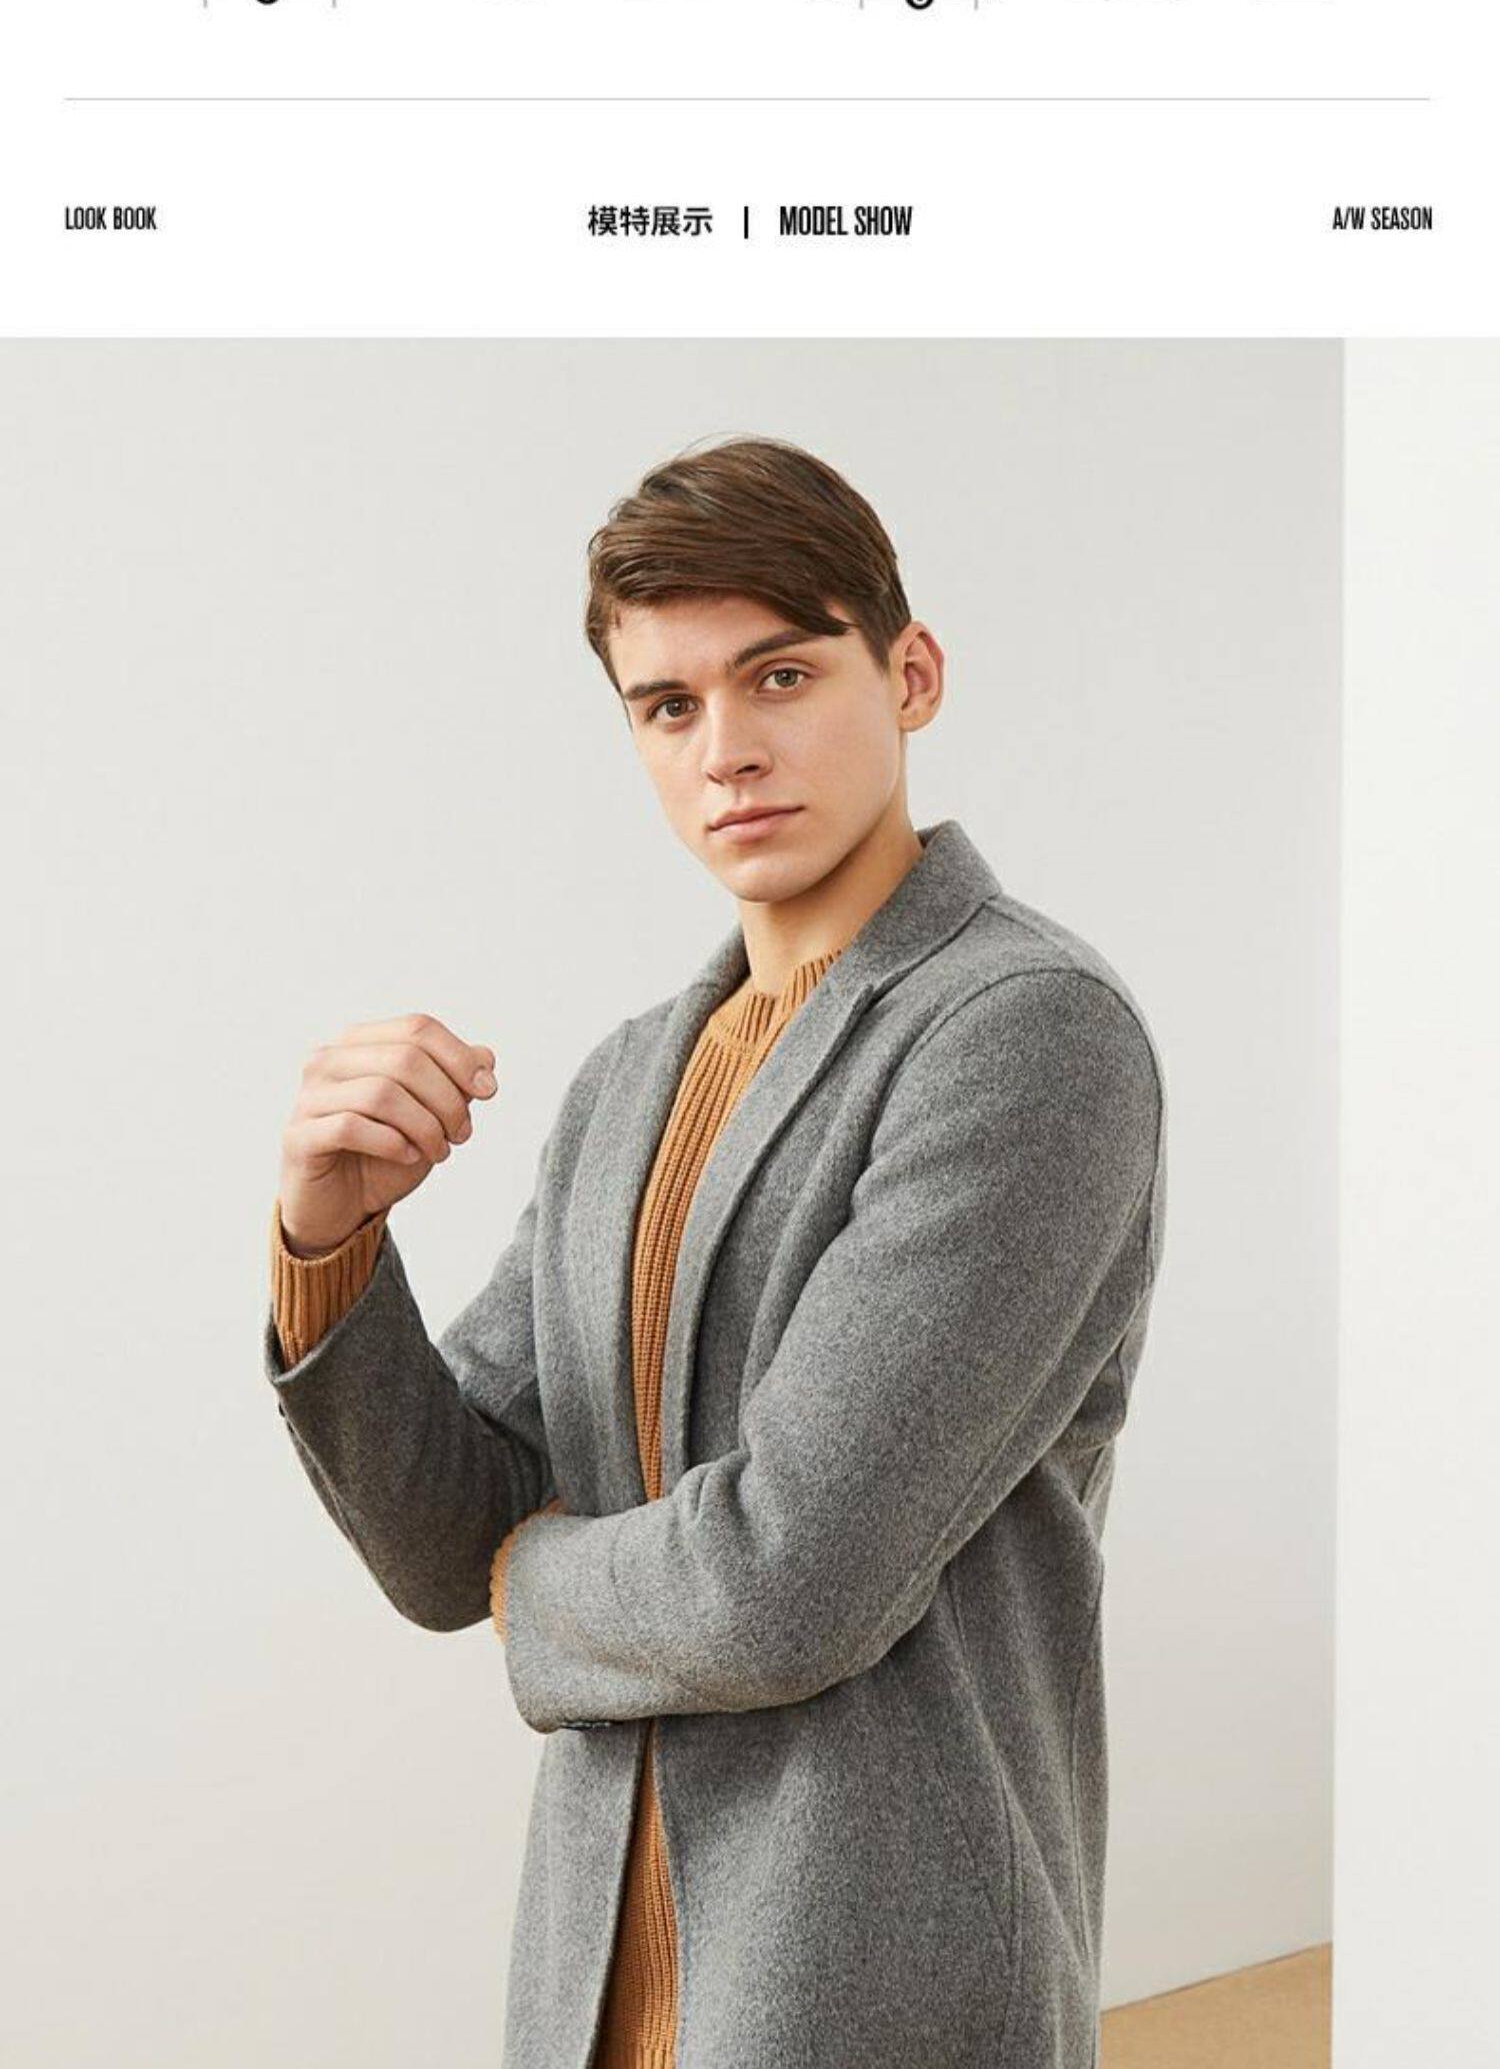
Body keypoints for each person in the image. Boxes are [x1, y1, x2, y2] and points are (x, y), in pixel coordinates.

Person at [264, 434, 1168, 2069]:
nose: (727, 750)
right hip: (597, 1994)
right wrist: (328, 1240)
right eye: (668, 706)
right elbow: (444, 1538)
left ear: (911, 673)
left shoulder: (1025, 1032)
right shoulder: (628, 1081)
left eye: (780, 675)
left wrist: (532, 1582)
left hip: (876, 1991)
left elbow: (790, 1574)